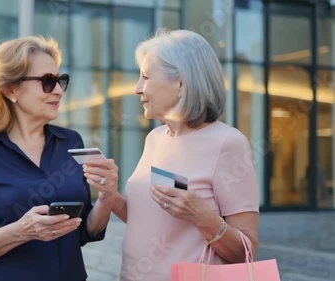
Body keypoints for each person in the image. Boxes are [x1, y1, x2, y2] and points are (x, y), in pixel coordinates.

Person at [83, 29, 260, 281]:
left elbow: (246, 253)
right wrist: (111, 195)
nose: (137, 88)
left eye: (145, 77)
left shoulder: (228, 143)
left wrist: (203, 216)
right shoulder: (155, 138)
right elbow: (145, 219)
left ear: (181, 83)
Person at [0, 36, 118, 281]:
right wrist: (22, 231)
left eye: (61, 80)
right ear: (10, 90)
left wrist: (107, 195)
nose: (59, 91)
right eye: (47, 81)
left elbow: (84, 231)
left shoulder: (71, 143)